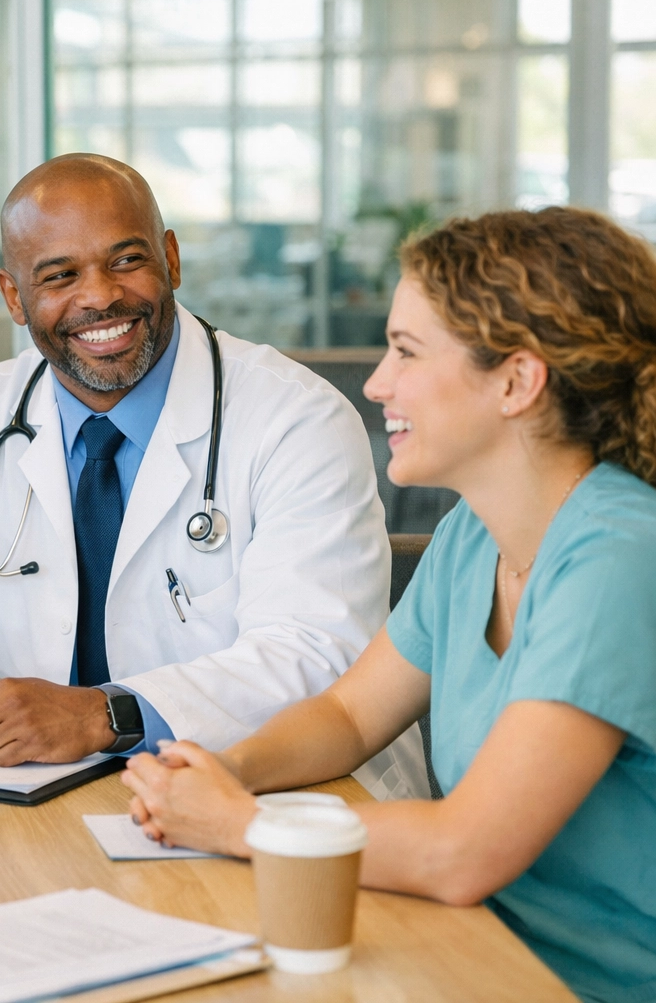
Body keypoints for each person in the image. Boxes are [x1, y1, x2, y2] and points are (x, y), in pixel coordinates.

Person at [121, 207, 656, 1003]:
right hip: (475, 952)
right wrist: (227, 770)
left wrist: (237, 824)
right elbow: (347, 718)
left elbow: (464, 851)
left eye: (406, 351)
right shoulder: (475, 534)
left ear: (516, 380)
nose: (377, 383)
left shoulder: (619, 557)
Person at [0, 153, 423, 796]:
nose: (101, 296)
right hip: (46, 794)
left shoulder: (295, 417)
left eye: (126, 261)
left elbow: (316, 656)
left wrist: (104, 714)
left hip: (286, 796)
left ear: (172, 259)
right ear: (13, 298)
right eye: (59, 275)